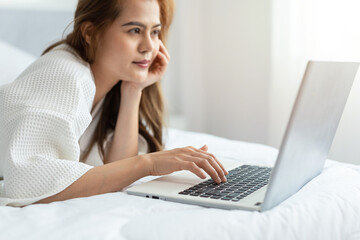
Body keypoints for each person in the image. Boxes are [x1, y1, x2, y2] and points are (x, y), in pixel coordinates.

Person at [0, 0, 228, 207]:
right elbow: (27, 181)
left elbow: (118, 167)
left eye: (155, 32)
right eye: (135, 30)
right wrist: (148, 163)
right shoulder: (65, 76)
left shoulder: (109, 83)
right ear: (90, 32)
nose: (149, 46)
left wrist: (133, 90)